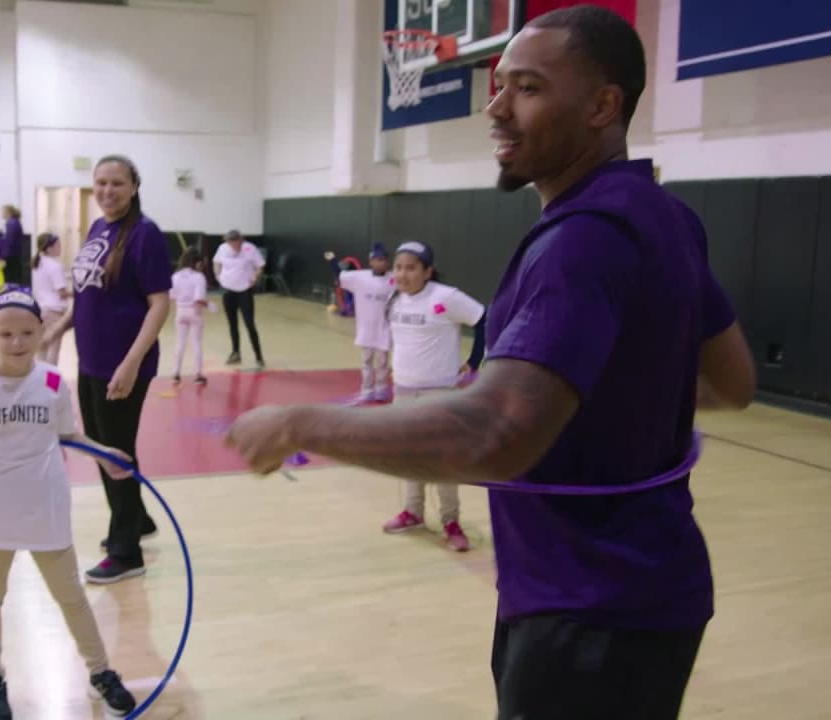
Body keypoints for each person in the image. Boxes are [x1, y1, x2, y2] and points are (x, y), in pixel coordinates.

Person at [226, 7, 757, 719]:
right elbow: (733, 382)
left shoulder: (583, 241)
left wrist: (297, 424)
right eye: (499, 85)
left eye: (527, 88)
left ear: (604, 105)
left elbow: (492, 434)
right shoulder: (665, 216)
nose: (496, 109)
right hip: (657, 595)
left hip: (585, 612)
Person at [0, 285, 139, 720]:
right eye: (6, 335)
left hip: (46, 510)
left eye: (26, 333)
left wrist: (105, 453)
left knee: (72, 597)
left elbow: (69, 436)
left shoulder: (54, 381)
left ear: (41, 331)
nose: (17, 343)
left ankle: (101, 672)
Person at [39, 154, 171, 584]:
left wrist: (132, 363)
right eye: (100, 183)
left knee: (115, 449)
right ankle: (138, 518)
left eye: (116, 183)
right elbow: (86, 296)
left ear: (133, 186)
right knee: (99, 445)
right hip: (92, 359)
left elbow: (159, 304)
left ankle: (126, 551)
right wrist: (54, 331)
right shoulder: (98, 229)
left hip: (122, 364)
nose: (107, 191)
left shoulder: (145, 234)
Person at [373, 240, 485, 551]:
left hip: (440, 392)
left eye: (410, 268)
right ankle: (413, 512)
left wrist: (474, 361)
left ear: (427, 271)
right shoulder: (394, 300)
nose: (402, 274)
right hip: (404, 390)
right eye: (398, 267)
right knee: (409, 456)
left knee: (443, 459)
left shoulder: (445, 298)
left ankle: (451, 521)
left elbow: (483, 318)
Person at [325, 242, 394, 403]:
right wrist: (332, 261)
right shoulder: (360, 277)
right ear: (371, 262)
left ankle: (381, 388)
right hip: (366, 328)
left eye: (384, 260)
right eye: (377, 260)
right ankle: (367, 389)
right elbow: (340, 275)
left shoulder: (394, 279)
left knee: (383, 361)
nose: (381, 263)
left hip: (384, 328)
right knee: (367, 360)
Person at [212, 230, 266, 369]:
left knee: (249, 324)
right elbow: (216, 262)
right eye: (231, 244)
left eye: (236, 244)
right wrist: (218, 275)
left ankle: (259, 356)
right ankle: (236, 353)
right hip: (228, 291)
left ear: (240, 241)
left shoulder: (250, 248)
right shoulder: (222, 248)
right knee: (232, 323)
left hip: (244, 291)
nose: (234, 247)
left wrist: (256, 276)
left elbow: (260, 266)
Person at [170, 247, 209, 386]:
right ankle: (198, 374)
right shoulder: (199, 277)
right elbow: (199, 298)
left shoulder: (175, 276)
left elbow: (172, 295)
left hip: (180, 312)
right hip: (195, 313)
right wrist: (209, 305)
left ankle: (176, 374)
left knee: (179, 343)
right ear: (195, 262)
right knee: (196, 343)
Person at [30, 232, 69, 364]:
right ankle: (52, 384)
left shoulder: (37, 264)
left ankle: (39, 380)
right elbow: (62, 293)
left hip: (41, 309)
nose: (60, 247)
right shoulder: (55, 266)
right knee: (53, 350)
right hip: (54, 311)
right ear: (48, 248)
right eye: (58, 245)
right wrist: (79, 293)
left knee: (42, 347)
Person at [0, 205, 26, 286]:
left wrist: (3, 256)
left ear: (8, 212)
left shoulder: (11, 223)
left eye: (3, 211)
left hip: (9, 256)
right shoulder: (11, 223)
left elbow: (9, 241)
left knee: (9, 277)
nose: (1, 214)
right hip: (10, 255)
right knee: (11, 277)